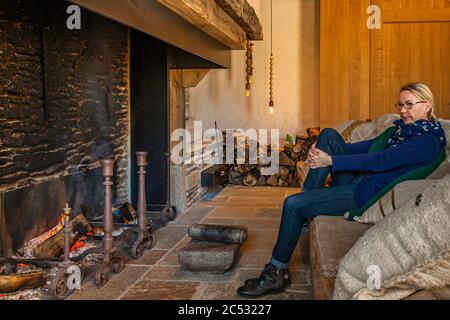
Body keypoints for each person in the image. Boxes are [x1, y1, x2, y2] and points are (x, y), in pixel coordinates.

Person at [237, 82, 447, 298]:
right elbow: (364, 147)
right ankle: (305, 205)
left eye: (409, 104)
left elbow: (380, 160)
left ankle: (277, 272)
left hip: (365, 195)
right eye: (400, 104)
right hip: (359, 181)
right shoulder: (399, 132)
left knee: (292, 205)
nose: (403, 110)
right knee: (327, 135)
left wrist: (331, 160)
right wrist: (321, 152)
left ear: (427, 105)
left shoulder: (427, 141)